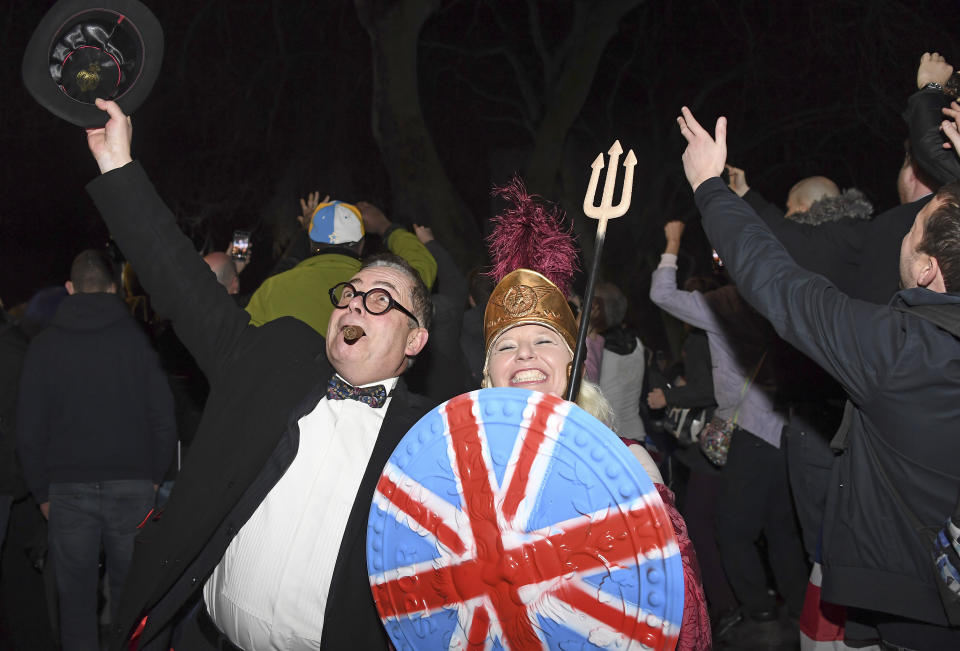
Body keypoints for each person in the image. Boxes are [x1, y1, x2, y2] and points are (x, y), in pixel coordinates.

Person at [83, 99, 434, 651]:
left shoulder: (429, 443)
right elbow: (184, 288)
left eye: (381, 299)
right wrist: (119, 169)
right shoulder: (276, 360)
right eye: (351, 293)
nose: (356, 305)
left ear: (415, 340)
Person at [677, 105, 960, 649]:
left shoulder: (899, 351)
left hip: (920, 609)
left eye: (915, 227)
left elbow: (776, 282)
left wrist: (709, 186)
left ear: (927, 270)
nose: (906, 223)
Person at [481, 179, 711, 650]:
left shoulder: (626, 466)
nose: (525, 354)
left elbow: (675, 613)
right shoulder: (458, 473)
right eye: (506, 345)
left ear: (573, 367)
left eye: (544, 340)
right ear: (488, 375)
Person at [650, 221, 808, 643]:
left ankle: (757, 610)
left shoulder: (724, 303)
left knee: (732, 529)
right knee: (782, 527)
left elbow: (661, 294)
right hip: (789, 429)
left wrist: (672, 244)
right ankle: (797, 607)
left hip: (749, 432)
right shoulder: (783, 294)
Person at [16, 249, 177, 651]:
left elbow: (29, 429)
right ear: (111, 288)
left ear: (70, 289)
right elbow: (163, 416)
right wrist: (155, 478)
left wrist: (41, 494)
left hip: (67, 490)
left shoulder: (44, 346)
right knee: (130, 602)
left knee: (75, 606)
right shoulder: (139, 343)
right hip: (134, 485)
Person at [244, 195, 437, 337]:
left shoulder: (273, 288)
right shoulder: (380, 288)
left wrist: (303, 233)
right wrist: (384, 226)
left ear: (311, 243)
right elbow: (423, 265)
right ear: (362, 244)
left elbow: (246, 342)